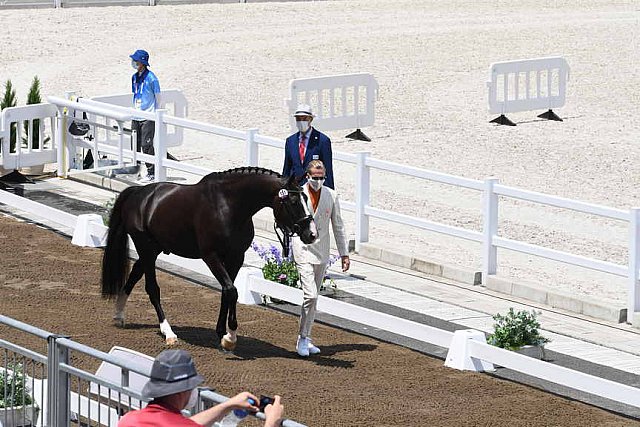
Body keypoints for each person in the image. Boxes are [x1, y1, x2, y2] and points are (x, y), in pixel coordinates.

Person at [118, 349, 284, 427]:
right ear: (182, 390)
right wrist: (272, 422)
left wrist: (227, 405)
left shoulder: (128, 420)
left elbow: (184, 424)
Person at [292, 160, 350, 357]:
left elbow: (338, 226)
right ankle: (302, 337)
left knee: (313, 300)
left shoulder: (331, 195)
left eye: (321, 177)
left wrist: (344, 253)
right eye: (315, 177)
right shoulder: (299, 194)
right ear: (307, 176)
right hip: (303, 249)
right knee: (311, 295)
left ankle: (305, 338)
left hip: (322, 252)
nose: (318, 181)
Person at [282, 104, 335, 189]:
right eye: (298, 119)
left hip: (315, 188)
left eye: (304, 118)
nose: (301, 121)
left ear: (311, 119)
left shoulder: (322, 141)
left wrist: (329, 192)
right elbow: (287, 168)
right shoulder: (290, 141)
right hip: (295, 189)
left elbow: (328, 170)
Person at [129, 49, 161, 183]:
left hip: (148, 116)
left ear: (142, 63)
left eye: (136, 61)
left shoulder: (152, 78)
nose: (133, 63)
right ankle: (135, 171)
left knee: (146, 145)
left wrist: (155, 114)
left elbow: (158, 97)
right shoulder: (134, 77)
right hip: (136, 115)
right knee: (134, 144)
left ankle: (151, 172)